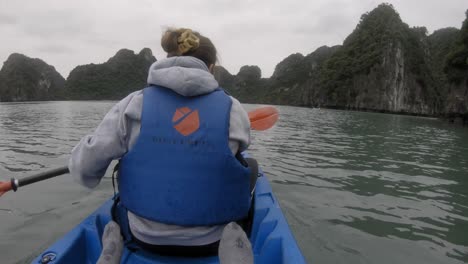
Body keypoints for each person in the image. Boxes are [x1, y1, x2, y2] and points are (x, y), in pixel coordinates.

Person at [69, 28, 254, 259]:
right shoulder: (233, 108)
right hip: (212, 239)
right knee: (250, 166)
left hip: (142, 236)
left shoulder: (133, 104)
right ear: (211, 68)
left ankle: (112, 248)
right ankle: (236, 245)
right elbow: (236, 152)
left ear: (168, 59)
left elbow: (83, 170)